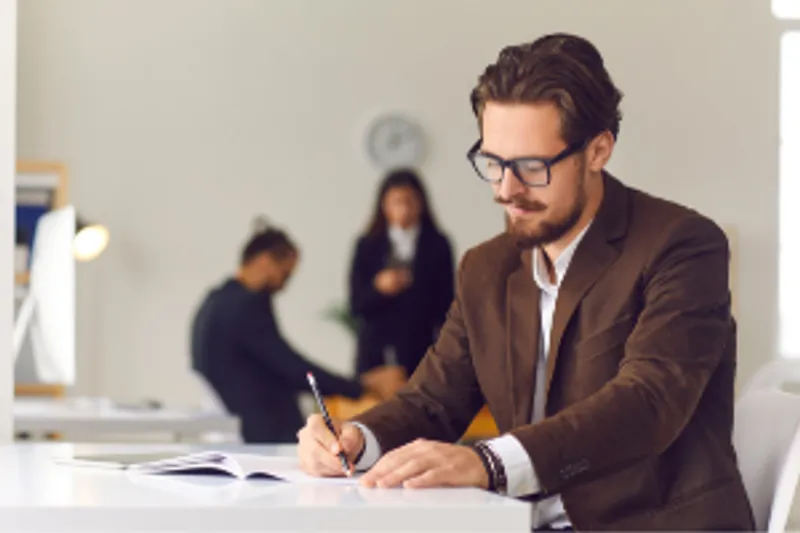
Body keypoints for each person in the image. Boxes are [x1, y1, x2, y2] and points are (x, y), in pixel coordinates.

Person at [297, 33, 754, 531]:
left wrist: (489, 464)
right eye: (493, 164)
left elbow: (648, 402)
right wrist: (359, 439)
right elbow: (432, 401)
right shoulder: (485, 268)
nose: (506, 190)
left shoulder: (682, 244)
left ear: (598, 150)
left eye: (532, 167)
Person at [191, 221, 396, 444]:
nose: (284, 285)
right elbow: (291, 367)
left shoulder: (216, 299)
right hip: (264, 430)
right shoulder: (244, 305)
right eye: (285, 274)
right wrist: (360, 386)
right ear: (264, 261)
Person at [349, 169, 455, 392]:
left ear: (421, 203)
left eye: (410, 201)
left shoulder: (437, 244)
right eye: (396, 202)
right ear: (383, 205)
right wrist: (379, 288)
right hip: (375, 354)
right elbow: (356, 304)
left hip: (420, 349)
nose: (404, 209)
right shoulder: (368, 245)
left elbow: (446, 306)